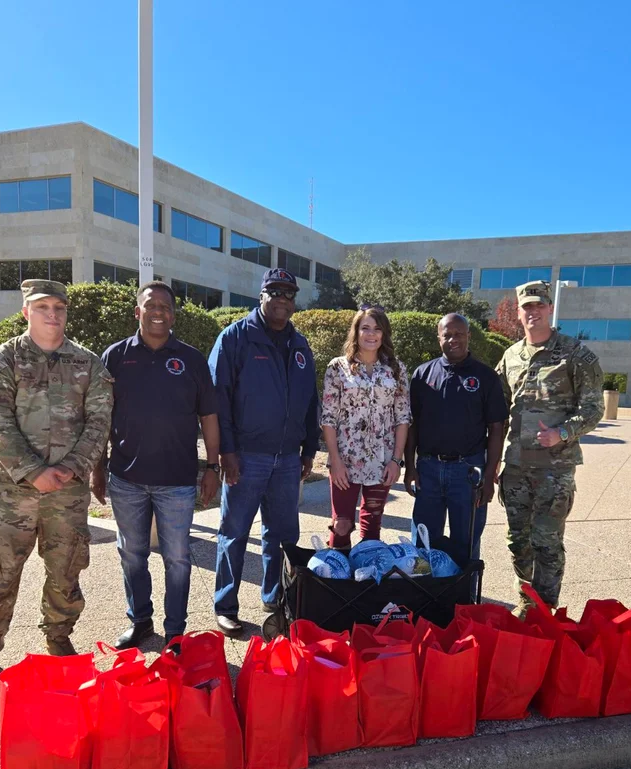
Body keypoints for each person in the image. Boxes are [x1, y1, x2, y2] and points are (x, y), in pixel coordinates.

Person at [0, 280, 113, 697]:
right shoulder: (3, 359)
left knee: (66, 571)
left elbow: (99, 422)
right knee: (0, 574)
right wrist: (32, 471)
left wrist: (72, 468)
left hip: (68, 492)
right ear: (26, 311)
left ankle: (58, 638)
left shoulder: (88, 364)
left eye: (59, 307)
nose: (52, 314)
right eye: (42, 306)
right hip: (14, 493)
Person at [92, 281, 221, 649]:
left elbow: (209, 415)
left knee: (177, 558)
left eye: (165, 306)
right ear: (138, 312)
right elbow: (101, 417)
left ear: (173, 314)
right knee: (132, 553)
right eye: (151, 305)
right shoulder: (115, 356)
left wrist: (212, 467)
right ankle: (141, 621)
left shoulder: (192, 359)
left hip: (177, 480)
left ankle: (176, 630)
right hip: (126, 479)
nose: (158, 311)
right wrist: (97, 466)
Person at [209, 268, 319, 635]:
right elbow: (217, 400)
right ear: (261, 295)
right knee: (235, 532)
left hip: (288, 458)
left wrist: (308, 449)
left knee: (283, 535)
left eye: (289, 294)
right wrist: (226, 451)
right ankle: (225, 605)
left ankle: (275, 598)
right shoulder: (235, 338)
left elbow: (309, 402)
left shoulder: (300, 345)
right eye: (275, 292)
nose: (282, 300)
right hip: (247, 456)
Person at [496, 280, 604, 616]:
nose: (533, 312)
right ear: (519, 311)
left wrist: (562, 432)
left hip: (553, 470)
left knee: (546, 543)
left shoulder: (575, 354)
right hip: (515, 468)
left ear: (550, 308)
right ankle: (527, 600)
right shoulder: (511, 357)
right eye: (527, 307)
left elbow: (593, 408)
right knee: (518, 542)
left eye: (539, 306)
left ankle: (546, 609)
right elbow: (497, 410)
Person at [404, 312, 507, 566]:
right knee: (424, 544)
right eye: (446, 335)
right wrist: (410, 467)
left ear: (469, 336)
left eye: (459, 333)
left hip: (468, 473)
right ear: (438, 338)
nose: (453, 339)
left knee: (466, 545)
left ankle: (464, 603)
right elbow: (412, 424)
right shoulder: (422, 374)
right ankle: (425, 600)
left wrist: (490, 475)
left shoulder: (485, 377)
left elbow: (496, 429)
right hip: (428, 470)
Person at [321, 306, 410, 550]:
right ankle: (336, 582)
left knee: (372, 525)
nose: (371, 334)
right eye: (366, 328)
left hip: (382, 461)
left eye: (377, 329)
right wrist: (335, 461)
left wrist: (396, 460)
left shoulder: (396, 369)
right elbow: (328, 418)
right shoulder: (337, 368)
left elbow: (403, 417)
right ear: (356, 332)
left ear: (384, 334)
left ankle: (366, 580)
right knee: (341, 524)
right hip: (345, 460)